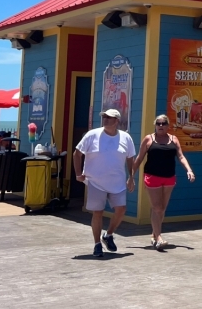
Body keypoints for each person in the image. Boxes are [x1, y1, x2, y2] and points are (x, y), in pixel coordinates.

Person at [73, 108, 136, 258]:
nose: (105, 119)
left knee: (121, 209)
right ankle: (97, 244)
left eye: (109, 117)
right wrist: (78, 174)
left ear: (117, 121)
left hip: (118, 183)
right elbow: (77, 153)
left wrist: (131, 177)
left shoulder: (126, 138)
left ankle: (108, 235)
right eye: (104, 117)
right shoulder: (92, 135)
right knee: (98, 212)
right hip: (96, 182)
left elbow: (130, 159)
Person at [134, 114, 195, 251]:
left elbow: (181, 156)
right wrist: (131, 175)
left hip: (169, 177)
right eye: (158, 123)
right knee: (157, 208)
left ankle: (154, 235)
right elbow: (139, 158)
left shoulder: (174, 139)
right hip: (152, 176)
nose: (161, 126)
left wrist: (189, 170)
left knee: (161, 209)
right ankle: (159, 237)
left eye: (163, 123)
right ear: (155, 125)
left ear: (168, 126)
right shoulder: (149, 139)